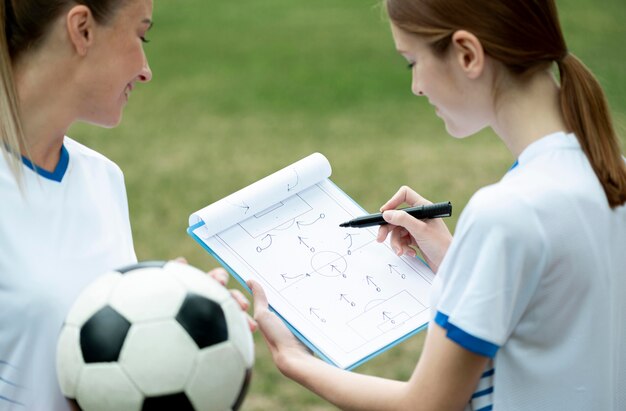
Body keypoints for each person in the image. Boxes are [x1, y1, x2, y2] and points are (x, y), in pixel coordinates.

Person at [248, 0, 626, 409]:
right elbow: (555, 314)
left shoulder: (508, 213)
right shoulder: (611, 173)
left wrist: (294, 361)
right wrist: (456, 260)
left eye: (412, 62)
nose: (416, 87)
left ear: (467, 54)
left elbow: (427, 404)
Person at [0, 1, 252, 410]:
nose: (146, 69)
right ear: (82, 29)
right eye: (141, 34)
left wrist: (172, 306)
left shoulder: (101, 178)